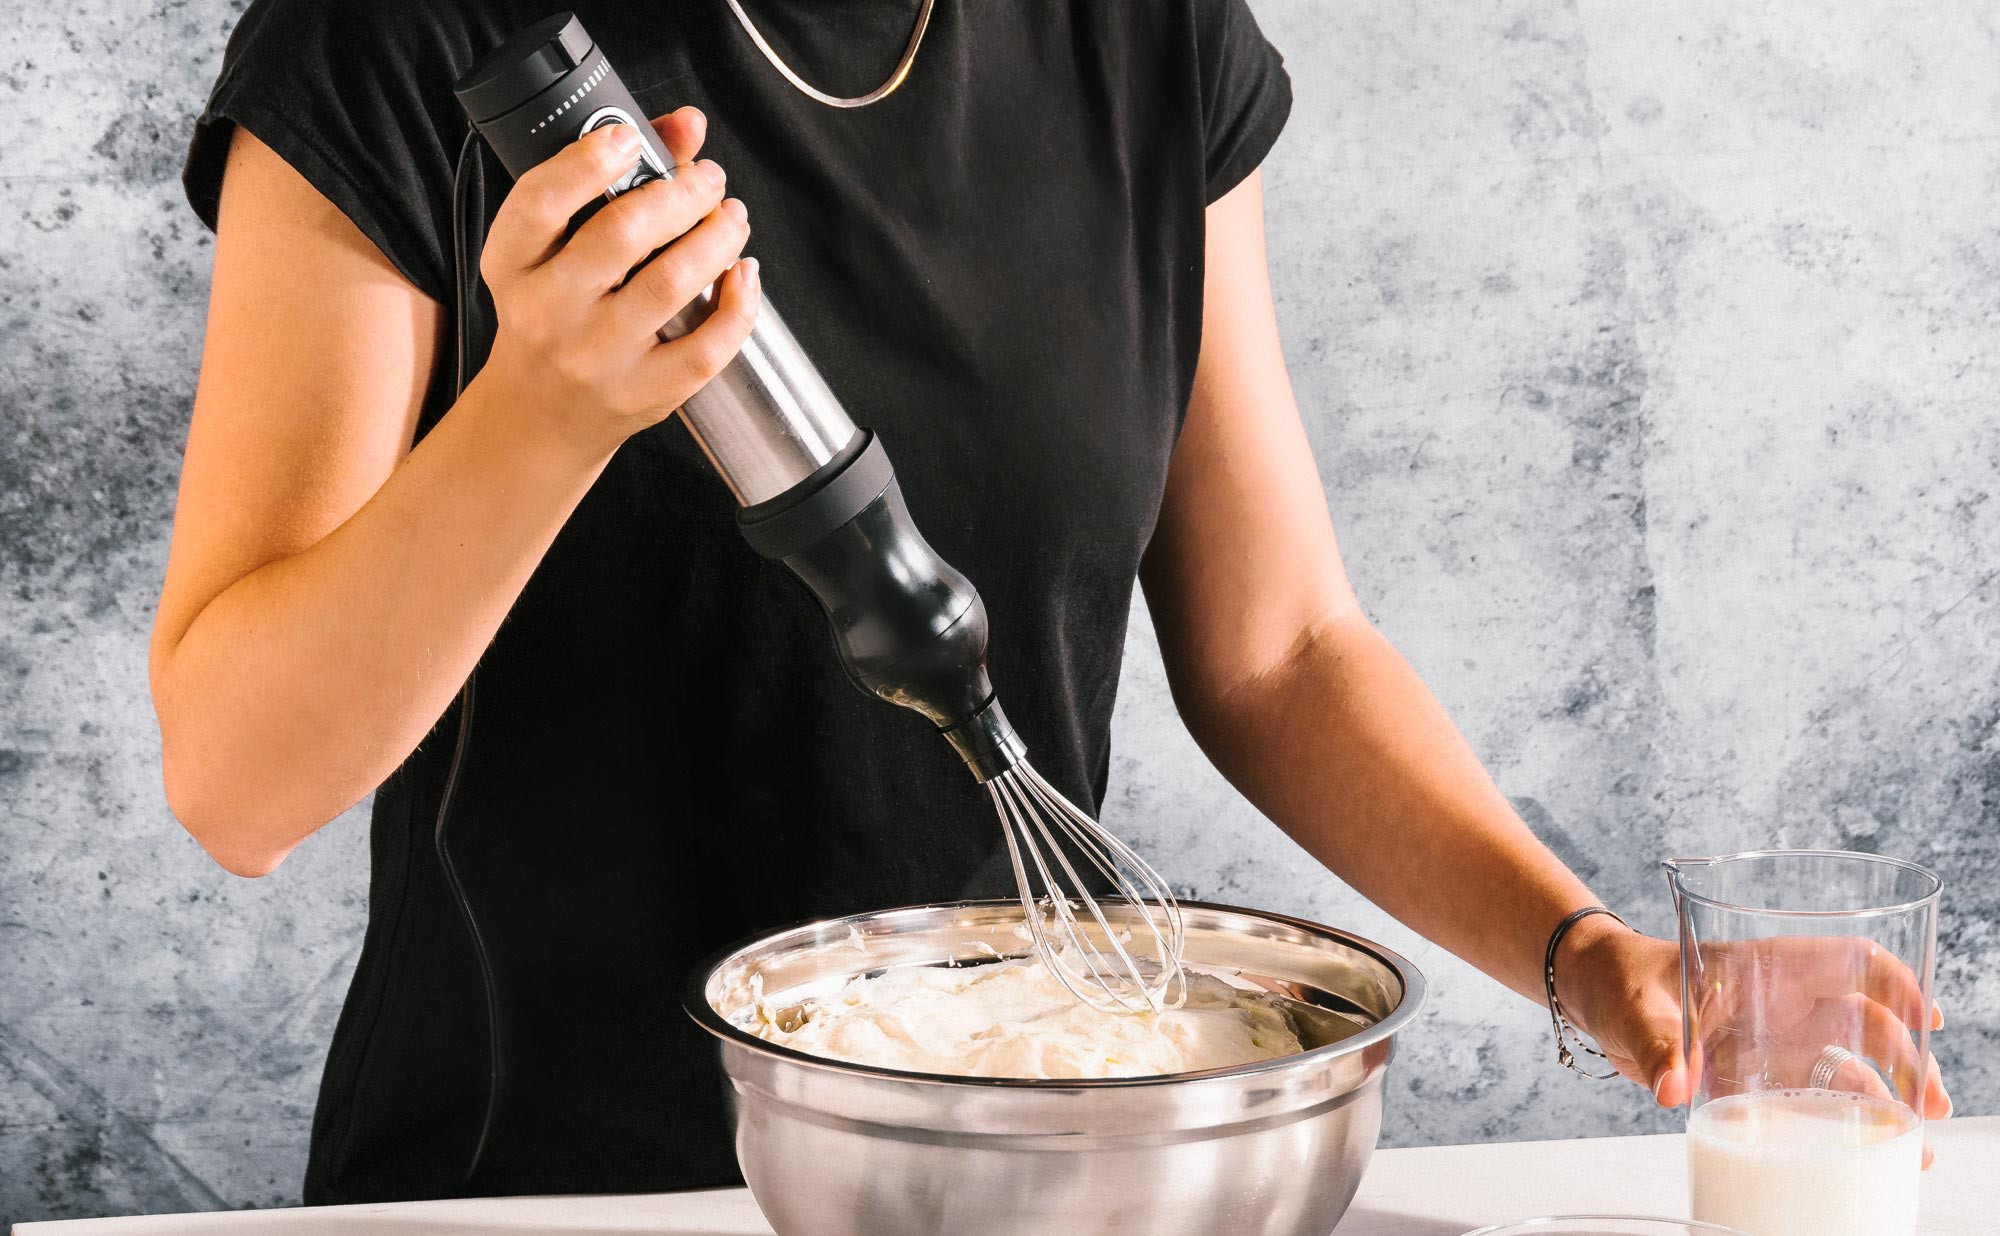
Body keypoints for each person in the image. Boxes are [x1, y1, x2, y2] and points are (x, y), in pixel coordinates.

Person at [152, 0, 1949, 1205]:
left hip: (1018, 1188)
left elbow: (1282, 647)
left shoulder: (1138, 36)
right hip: (536, 1191)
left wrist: (1591, 956)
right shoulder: (420, 41)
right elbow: (236, 777)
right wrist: (542, 411)